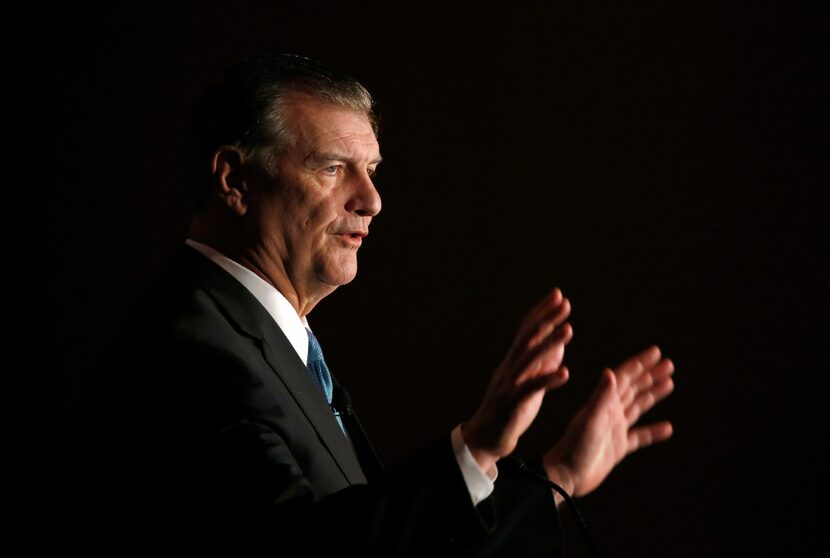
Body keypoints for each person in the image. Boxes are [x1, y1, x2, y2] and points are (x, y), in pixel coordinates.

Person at [76, 52, 675, 557]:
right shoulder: (192, 349)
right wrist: (477, 448)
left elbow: (381, 537)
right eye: (333, 168)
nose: (372, 200)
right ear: (234, 180)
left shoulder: (265, 337)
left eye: (372, 171)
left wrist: (555, 478)